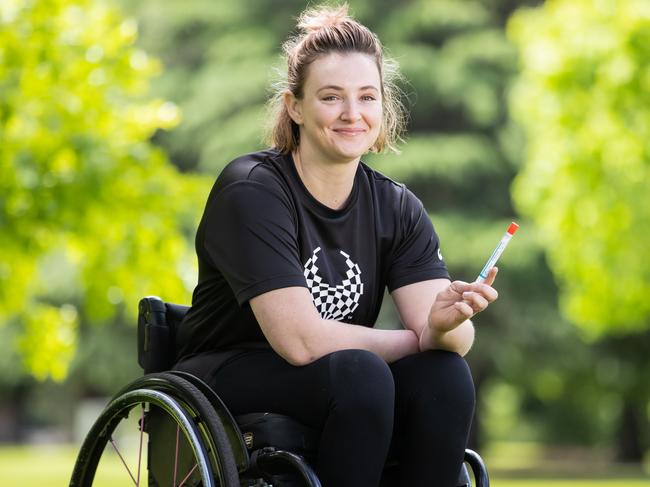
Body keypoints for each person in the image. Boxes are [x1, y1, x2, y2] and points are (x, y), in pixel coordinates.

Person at [174, 4, 499, 487]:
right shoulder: (252, 190)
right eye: (331, 97)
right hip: (229, 371)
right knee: (362, 375)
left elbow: (453, 341)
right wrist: (418, 338)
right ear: (295, 106)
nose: (353, 114)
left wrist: (445, 325)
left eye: (367, 97)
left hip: (339, 374)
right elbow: (300, 341)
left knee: (445, 376)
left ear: (383, 108)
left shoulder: (396, 207)